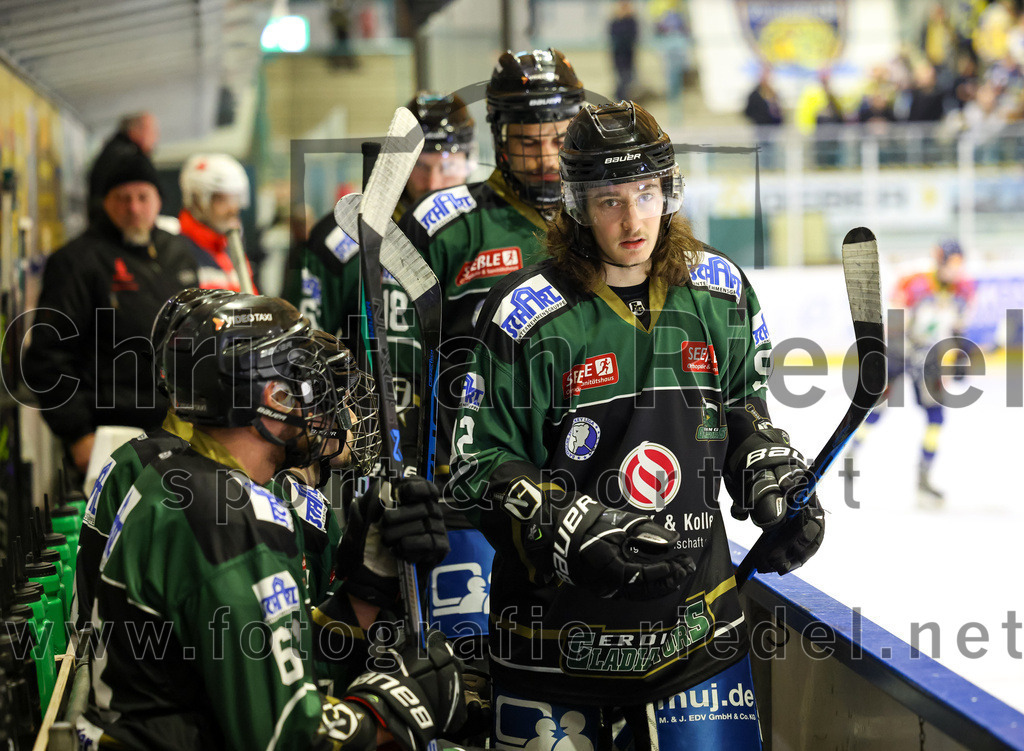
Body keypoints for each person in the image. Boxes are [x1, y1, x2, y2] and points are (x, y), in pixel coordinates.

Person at [447, 101, 824, 749]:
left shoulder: (719, 291)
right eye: (610, 200)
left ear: (668, 190)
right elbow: (476, 468)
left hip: (697, 645)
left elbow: (741, 414)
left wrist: (766, 467)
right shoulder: (525, 316)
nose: (632, 219)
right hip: (554, 654)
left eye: (646, 193)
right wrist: (562, 525)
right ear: (575, 205)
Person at [78, 292, 465, 750]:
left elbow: (259, 671)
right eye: (303, 377)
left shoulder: (177, 480)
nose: (324, 398)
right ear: (270, 397)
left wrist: (364, 589)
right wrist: (388, 711)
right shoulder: (228, 516)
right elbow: (288, 739)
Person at [397, 48, 585, 654]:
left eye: (558, 137)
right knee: (471, 673)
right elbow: (399, 366)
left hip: (586, 493)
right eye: (528, 141)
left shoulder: (606, 220)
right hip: (472, 494)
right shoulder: (447, 223)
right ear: (500, 139)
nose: (547, 156)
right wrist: (400, 477)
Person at [290, 92, 476, 461]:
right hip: (375, 438)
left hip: (467, 440)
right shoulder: (344, 238)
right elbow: (307, 344)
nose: (434, 181)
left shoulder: (492, 239)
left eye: (448, 164)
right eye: (422, 166)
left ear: (470, 162)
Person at [23, 150, 198, 476]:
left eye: (142, 197)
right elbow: (47, 358)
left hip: (179, 431)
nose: (133, 208)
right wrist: (78, 434)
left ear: (159, 200)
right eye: (122, 198)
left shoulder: (178, 253)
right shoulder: (77, 262)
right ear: (104, 203)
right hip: (109, 437)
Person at [850, 240, 974, 508]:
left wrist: (960, 354)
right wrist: (904, 353)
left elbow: (957, 326)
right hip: (899, 351)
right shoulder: (915, 283)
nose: (956, 271)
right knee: (878, 410)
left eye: (958, 265)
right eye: (952, 264)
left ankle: (923, 478)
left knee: (936, 416)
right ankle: (851, 451)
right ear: (940, 261)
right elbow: (895, 323)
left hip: (928, 356)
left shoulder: (963, 289)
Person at [178, 153, 258, 291]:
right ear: (196, 201)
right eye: (222, 200)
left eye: (236, 199)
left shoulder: (229, 246)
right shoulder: (177, 250)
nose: (233, 209)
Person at [86, 112, 160, 222]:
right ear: (134, 131)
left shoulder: (113, 150)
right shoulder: (129, 159)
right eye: (151, 131)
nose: (156, 137)